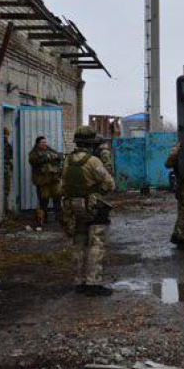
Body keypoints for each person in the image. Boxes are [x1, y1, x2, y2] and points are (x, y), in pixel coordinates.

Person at [61, 126, 116, 296]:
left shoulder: (67, 160)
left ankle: (79, 282)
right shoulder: (93, 161)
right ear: (91, 143)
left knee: (79, 243)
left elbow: (63, 183)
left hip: (72, 206)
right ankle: (93, 283)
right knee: (96, 243)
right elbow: (110, 184)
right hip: (92, 205)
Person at [28, 136, 63, 224]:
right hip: (43, 181)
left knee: (57, 197)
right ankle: (44, 218)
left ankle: (59, 217)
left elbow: (59, 156)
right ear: (38, 144)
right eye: (43, 142)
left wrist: (57, 156)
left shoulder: (50, 150)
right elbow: (34, 161)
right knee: (44, 200)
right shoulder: (33, 153)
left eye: (45, 142)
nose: (45, 144)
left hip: (54, 180)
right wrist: (47, 157)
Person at [3, 127, 13, 211]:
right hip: (4, 168)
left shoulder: (7, 145)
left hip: (6, 168)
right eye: (5, 134)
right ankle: (5, 209)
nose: (6, 136)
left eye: (7, 135)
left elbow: (10, 157)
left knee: (7, 189)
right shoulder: (3, 145)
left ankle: (6, 209)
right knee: (6, 189)